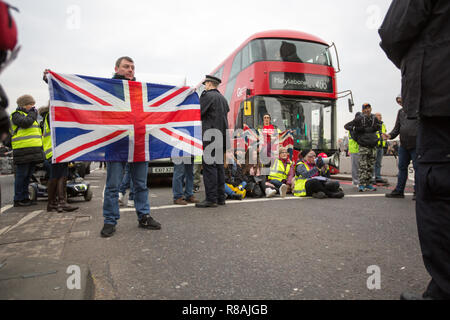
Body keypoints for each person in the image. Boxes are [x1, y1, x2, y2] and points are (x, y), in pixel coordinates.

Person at [379, 0, 450, 300]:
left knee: (438, 193)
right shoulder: (398, 117)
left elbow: (393, 32)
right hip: (416, 132)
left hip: (440, 107)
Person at [100, 57, 161, 237]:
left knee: (141, 184)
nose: (130, 70)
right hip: (116, 144)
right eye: (126, 67)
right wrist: (52, 81)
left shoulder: (140, 90)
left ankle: (144, 216)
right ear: (116, 68)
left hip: (139, 143)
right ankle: (109, 221)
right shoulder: (106, 88)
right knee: (113, 185)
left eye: (133, 67)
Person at [196, 75, 229, 208]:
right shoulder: (223, 99)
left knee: (210, 167)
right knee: (219, 168)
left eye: (205, 84)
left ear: (209, 84)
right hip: (222, 136)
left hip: (210, 136)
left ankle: (211, 198)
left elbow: (199, 113)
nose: (204, 86)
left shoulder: (207, 96)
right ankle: (221, 197)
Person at [39, 104, 78, 212]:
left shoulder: (48, 115)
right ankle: (61, 202)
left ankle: (53, 203)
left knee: (57, 175)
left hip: (55, 149)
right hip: (56, 149)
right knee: (61, 176)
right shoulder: (52, 115)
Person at [10, 95, 45, 207]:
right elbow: (25, 123)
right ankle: (18, 198)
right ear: (23, 105)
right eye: (31, 104)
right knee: (21, 176)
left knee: (27, 176)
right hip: (22, 151)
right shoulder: (16, 115)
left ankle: (25, 197)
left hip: (32, 151)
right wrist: (33, 113)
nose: (33, 107)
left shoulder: (32, 117)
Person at [383, 95, 418, 200]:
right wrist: (389, 135)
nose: (400, 103)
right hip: (403, 145)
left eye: (401, 101)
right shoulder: (401, 112)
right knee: (402, 168)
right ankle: (399, 191)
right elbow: (397, 128)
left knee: (418, 168)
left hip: (416, 144)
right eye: (398, 102)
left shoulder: (417, 109)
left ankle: (418, 191)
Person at [344, 104, 382, 192]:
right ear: (362, 110)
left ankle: (368, 184)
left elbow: (379, 127)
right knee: (362, 166)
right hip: (363, 145)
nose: (367, 110)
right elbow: (347, 126)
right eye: (365, 109)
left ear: (371, 109)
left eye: (368, 108)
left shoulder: (374, 118)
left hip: (372, 145)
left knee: (370, 166)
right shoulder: (359, 119)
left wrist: (377, 136)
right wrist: (357, 129)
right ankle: (361, 184)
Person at [347, 112, 361, 187]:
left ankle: (358, 180)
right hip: (355, 149)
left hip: (359, 149)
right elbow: (356, 138)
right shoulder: (352, 128)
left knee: (360, 166)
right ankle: (355, 181)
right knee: (355, 167)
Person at [374, 113, 388, 184]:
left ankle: (378, 176)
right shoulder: (373, 124)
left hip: (381, 146)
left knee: (378, 163)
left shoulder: (383, 125)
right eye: (379, 115)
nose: (380, 117)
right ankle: (373, 177)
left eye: (381, 115)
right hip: (375, 145)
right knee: (373, 162)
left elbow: (385, 135)